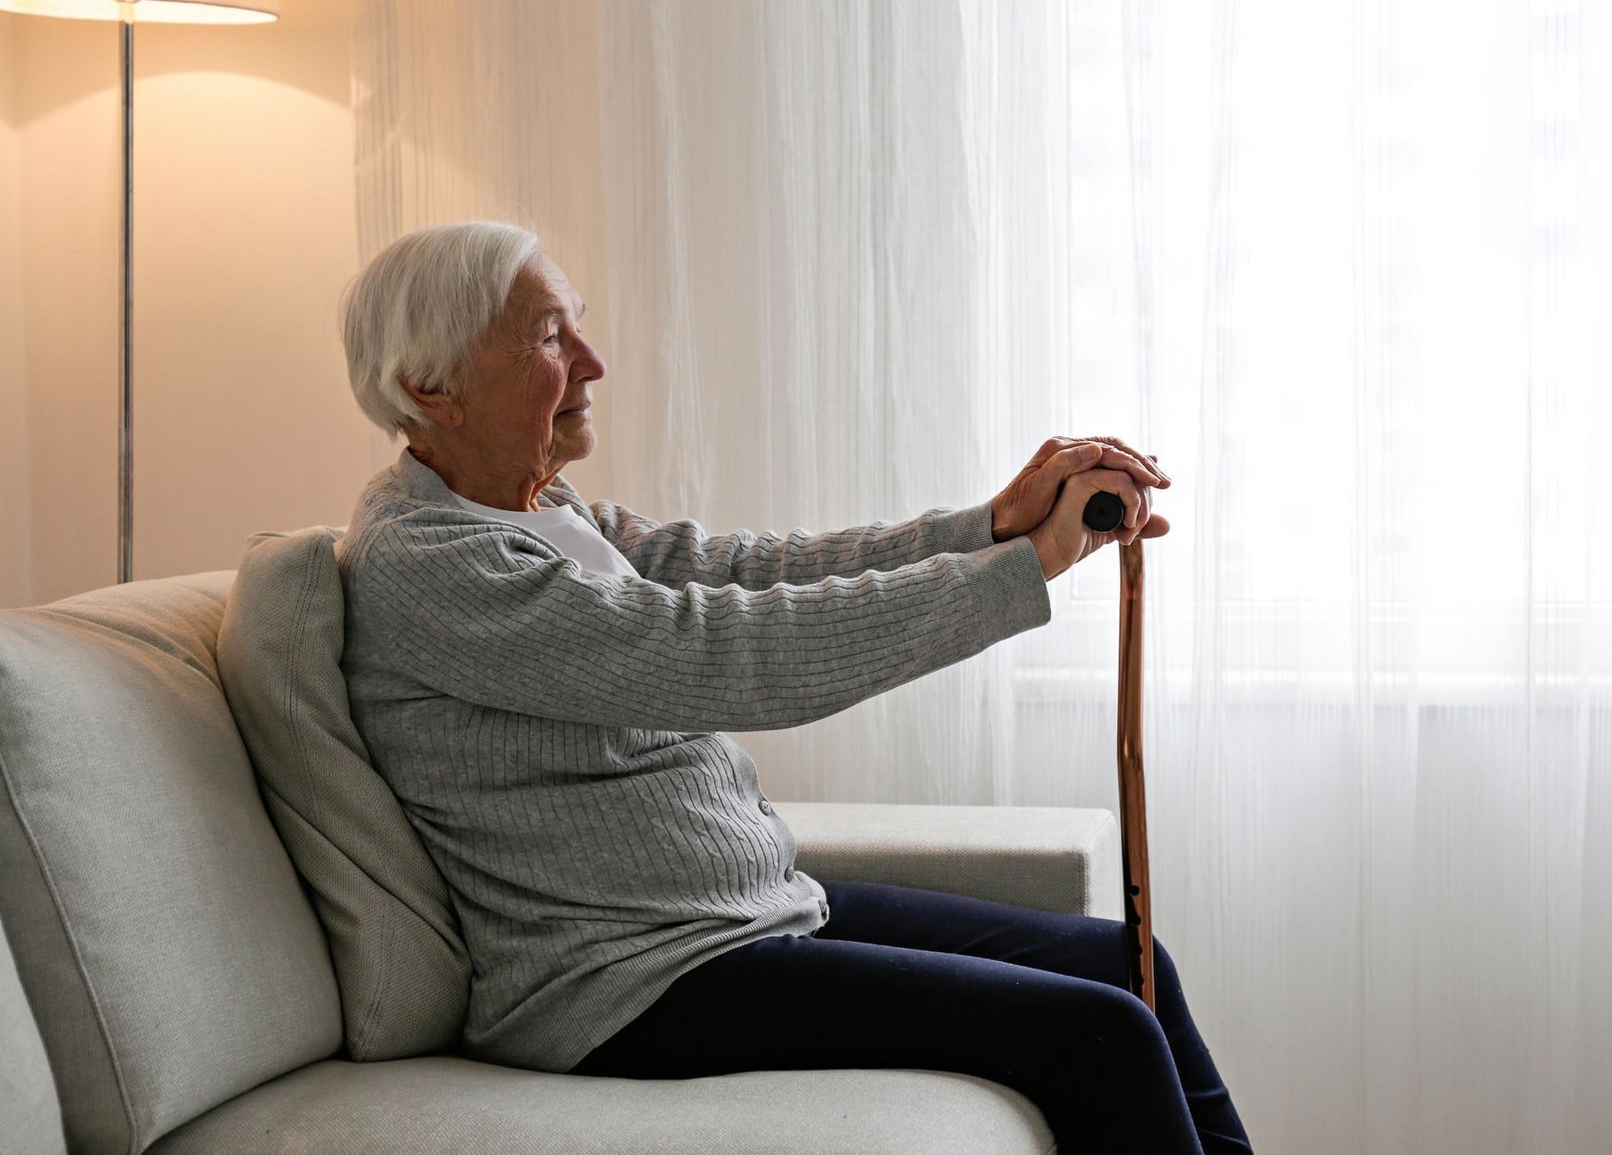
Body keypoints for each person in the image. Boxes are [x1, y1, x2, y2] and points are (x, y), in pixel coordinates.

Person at [335, 220, 1252, 1154]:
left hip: (740, 917)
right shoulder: (433, 564)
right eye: (548, 338)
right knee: (1099, 1033)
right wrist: (1022, 571)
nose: (593, 362)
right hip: (629, 982)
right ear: (430, 387)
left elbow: (747, 572)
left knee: (1131, 971)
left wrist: (989, 528)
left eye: (577, 327)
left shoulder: (542, 510)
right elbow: (727, 653)